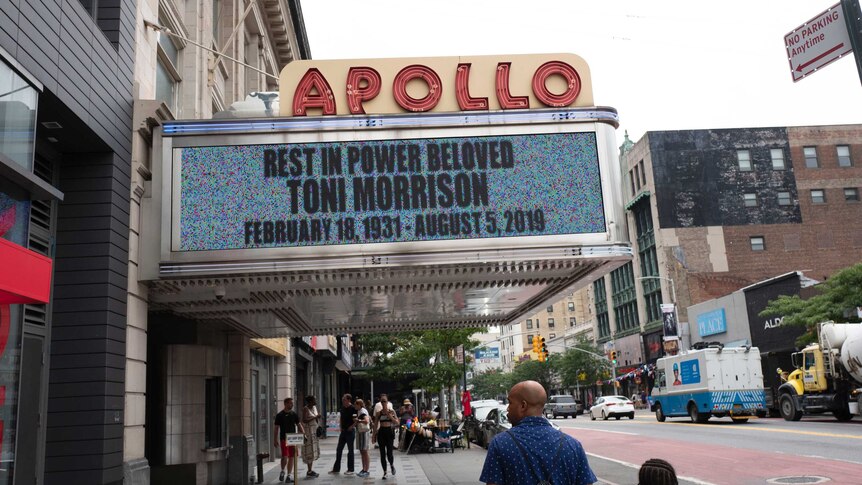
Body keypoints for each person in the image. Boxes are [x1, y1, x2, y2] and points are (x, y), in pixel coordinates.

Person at [480, 380, 596, 485]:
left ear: (523, 406)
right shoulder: (572, 445)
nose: (507, 409)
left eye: (510, 403)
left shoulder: (500, 444)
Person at [274, 397, 304, 483]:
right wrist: (275, 439)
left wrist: (303, 433)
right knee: (285, 456)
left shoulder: (294, 414)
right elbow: (276, 428)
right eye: (290, 403)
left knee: (292, 457)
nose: (292, 404)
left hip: (293, 438)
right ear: (286, 404)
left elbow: (299, 425)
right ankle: (283, 470)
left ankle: (289, 475)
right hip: (284, 438)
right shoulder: (279, 415)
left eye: (292, 403)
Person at [329, 394, 356, 475]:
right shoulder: (343, 408)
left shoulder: (353, 408)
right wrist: (340, 426)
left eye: (344, 400)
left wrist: (352, 426)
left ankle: (350, 469)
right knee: (339, 449)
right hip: (343, 431)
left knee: (350, 450)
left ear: (348, 400)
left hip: (350, 431)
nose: (343, 401)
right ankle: (336, 468)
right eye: (342, 400)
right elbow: (341, 417)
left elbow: (356, 420)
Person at [372, 393, 398, 479]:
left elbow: (397, 422)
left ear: (387, 402)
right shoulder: (378, 413)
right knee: (382, 453)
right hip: (382, 432)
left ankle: (391, 464)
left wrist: (389, 415)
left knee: (389, 453)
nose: (383, 403)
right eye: (382, 401)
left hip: (389, 432)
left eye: (385, 401)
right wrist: (373, 436)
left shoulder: (392, 411)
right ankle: (385, 472)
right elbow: (375, 425)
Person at [301, 395, 321, 478]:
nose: (315, 401)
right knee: (309, 450)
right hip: (308, 432)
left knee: (313, 450)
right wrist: (315, 417)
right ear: (310, 401)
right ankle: (309, 470)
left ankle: (310, 470)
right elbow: (304, 420)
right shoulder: (305, 409)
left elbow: (315, 418)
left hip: (314, 432)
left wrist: (317, 419)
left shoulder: (314, 408)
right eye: (314, 400)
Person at [354, 399, 371, 477]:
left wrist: (358, 420)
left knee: (364, 451)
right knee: (362, 451)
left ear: (359, 405)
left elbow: (366, 421)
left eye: (356, 405)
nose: (355, 406)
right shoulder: (360, 411)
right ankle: (364, 468)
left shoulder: (362, 411)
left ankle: (366, 469)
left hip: (364, 432)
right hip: (361, 432)